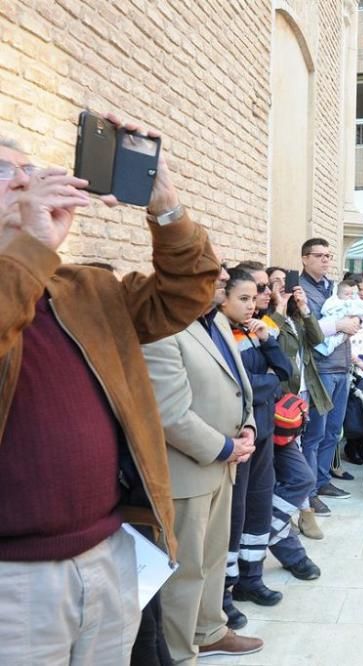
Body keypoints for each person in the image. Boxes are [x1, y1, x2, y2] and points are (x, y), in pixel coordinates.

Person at [1, 123, 223, 664]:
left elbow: (186, 294)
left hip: (108, 555)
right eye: (7, 172)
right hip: (15, 580)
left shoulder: (85, 289)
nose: (26, 183)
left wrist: (165, 206)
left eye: (31, 170)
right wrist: (30, 247)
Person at [142, 259, 264, 661]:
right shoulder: (163, 330)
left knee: (212, 559)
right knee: (186, 568)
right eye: (216, 277)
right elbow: (169, 414)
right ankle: (178, 651)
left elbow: (236, 386)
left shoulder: (212, 324)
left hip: (222, 465)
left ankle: (210, 630)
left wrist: (247, 426)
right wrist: (227, 447)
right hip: (186, 471)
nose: (225, 281)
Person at [218, 269, 292, 623]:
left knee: (259, 506)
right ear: (224, 299)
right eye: (243, 298)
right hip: (238, 437)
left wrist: (268, 341)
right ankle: (225, 591)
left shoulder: (255, 330)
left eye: (254, 297)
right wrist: (268, 382)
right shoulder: (218, 334)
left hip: (263, 433)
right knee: (234, 514)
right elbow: (239, 385)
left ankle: (251, 577)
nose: (251, 305)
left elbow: (285, 371)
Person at [299, 238, 355, 510]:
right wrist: (339, 324)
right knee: (315, 434)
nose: (325, 260)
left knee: (333, 431)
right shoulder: (300, 289)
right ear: (305, 258)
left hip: (342, 366)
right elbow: (307, 328)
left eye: (328, 256)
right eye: (319, 255)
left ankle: (322, 480)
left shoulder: (333, 288)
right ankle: (308, 493)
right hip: (320, 370)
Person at [269, 279, 326, 543]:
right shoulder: (269, 319)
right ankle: (303, 510)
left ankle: (298, 509)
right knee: (293, 453)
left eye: (288, 284)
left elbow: (317, 339)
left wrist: (304, 308)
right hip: (284, 394)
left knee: (304, 448)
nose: (286, 290)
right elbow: (269, 341)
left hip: (304, 391)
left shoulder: (295, 317)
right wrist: (279, 307)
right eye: (277, 284)